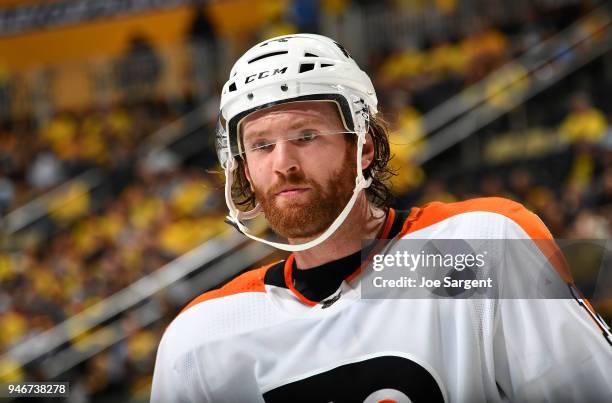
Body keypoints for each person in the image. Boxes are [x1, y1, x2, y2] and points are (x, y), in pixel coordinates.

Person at [151, 34, 611, 402]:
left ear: (364, 145)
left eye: (307, 135)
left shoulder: (480, 247)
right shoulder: (199, 337)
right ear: (242, 166)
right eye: (262, 144)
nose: (283, 163)